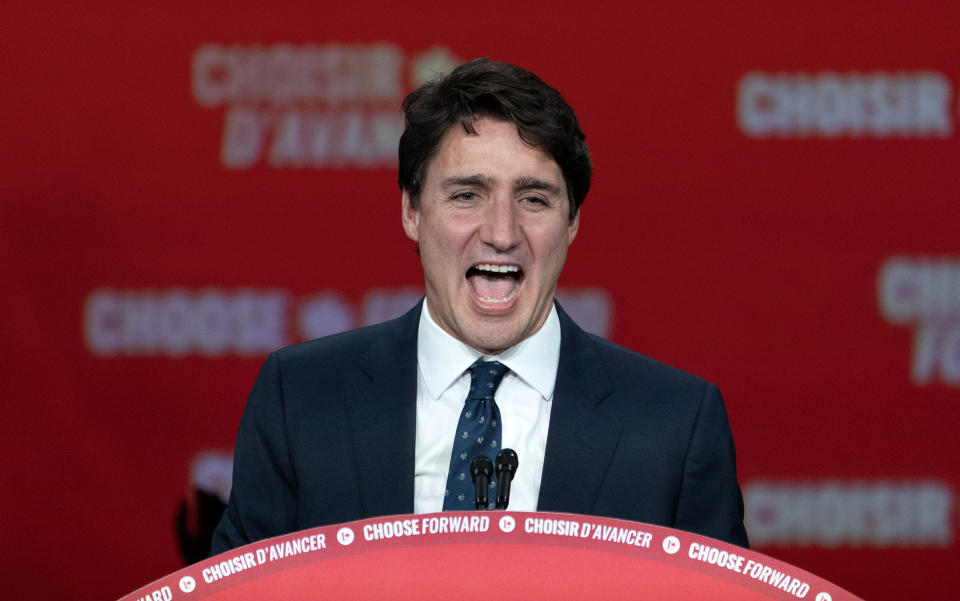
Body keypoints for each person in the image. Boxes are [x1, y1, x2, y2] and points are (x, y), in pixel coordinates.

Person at [210, 58, 748, 554]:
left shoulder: (675, 426)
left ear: (573, 222)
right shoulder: (300, 399)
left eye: (533, 198)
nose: (501, 233)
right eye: (468, 195)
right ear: (412, 211)